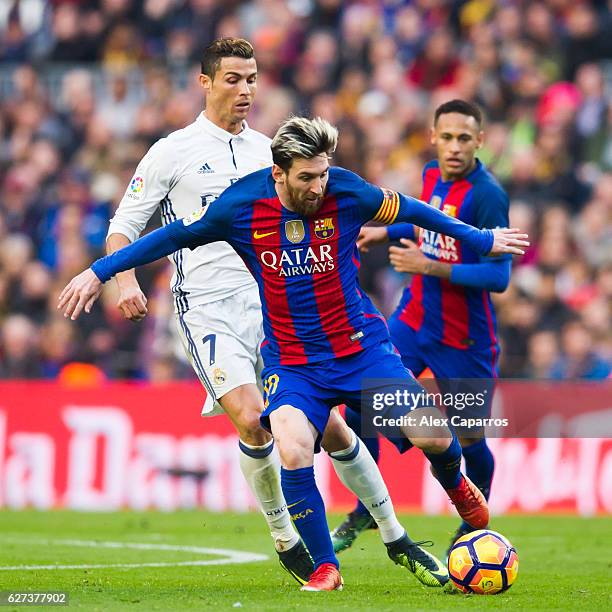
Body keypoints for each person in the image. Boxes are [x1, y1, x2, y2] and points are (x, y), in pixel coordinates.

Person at [58, 116, 528, 591]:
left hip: (360, 350)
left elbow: (416, 210)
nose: (318, 186)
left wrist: (481, 239)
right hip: (293, 363)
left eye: (323, 173)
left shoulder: (348, 192)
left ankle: (458, 488)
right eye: (308, 177)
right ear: (278, 173)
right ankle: (326, 567)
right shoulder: (241, 205)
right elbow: (171, 237)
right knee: (291, 443)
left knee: (431, 435)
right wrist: (100, 271)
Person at [102, 38, 453, 589]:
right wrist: (123, 276)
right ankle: (287, 538)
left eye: (252, 79)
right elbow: (126, 225)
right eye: (234, 79)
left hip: (274, 309)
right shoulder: (171, 151)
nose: (246, 90)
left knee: (331, 429)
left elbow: (318, 211)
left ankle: (394, 534)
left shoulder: (272, 153)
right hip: (208, 309)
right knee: (251, 418)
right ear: (206, 82)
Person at [333, 99, 512, 555]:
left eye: (464, 139)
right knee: (361, 408)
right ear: (433, 136)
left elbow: (499, 276)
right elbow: (424, 225)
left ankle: (474, 524)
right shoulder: (432, 174)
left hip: (464, 340)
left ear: (480, 142)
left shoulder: (488, 195)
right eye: (447, 137)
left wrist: (428, 267)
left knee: (470, 436)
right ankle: (366, 509)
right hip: (412, 323)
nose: (454, 147)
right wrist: (386, 232)